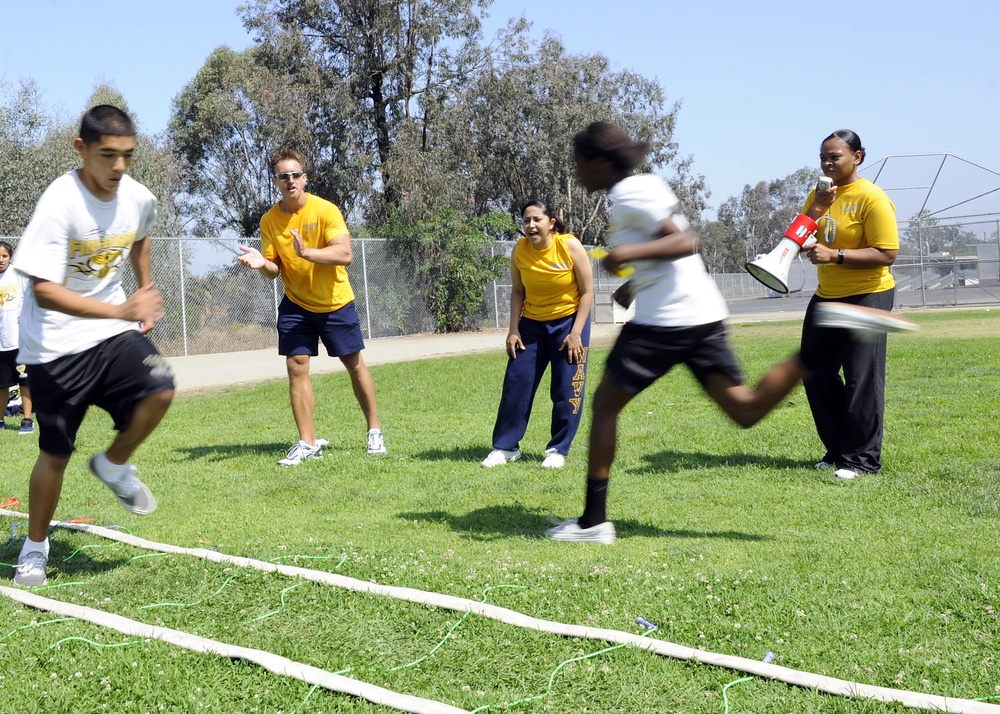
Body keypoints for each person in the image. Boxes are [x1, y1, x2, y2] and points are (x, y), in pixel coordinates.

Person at [546, 121, 808, 544]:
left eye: (578, 163)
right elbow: (669, 253)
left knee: (604, 405)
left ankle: (593, 522)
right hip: (700, 313)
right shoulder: (640, 188)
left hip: (664, 324)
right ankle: (817, 353)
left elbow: (686, 242)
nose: (576, 172)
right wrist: (634, 284)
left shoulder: (630, 192)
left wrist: (626, 255)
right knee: (745, 410)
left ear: (597, 161)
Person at [11, 105, 175, 587]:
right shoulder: (59, 202)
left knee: (160, 388)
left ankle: (113, 464)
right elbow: (44, 290)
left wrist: (142, 292)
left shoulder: (137, 197)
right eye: (108, 155)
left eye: (127, 156)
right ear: (80, 148)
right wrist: (121, 311)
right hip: (54, 346)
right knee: (55, 453)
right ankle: (35, 548)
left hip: (110, 333)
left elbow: (141, 235)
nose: (119, 167)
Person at [238, 150, 386, 466]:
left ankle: (374, 430)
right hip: (296, 303)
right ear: (275, 181)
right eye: (282, 176)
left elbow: (344, 254)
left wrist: (306, 252)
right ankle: (308, 442)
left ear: (304, 178)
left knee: (353, 363)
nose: (289, 180)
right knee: (296, 366)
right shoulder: (269, 220)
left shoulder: (325, 210)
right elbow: (274, 269)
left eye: (295, 174)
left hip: (335, 302)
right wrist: (262, 263)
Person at [801, 130, 899, 480]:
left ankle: (862, 460)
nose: (827, 163)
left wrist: (835, 254)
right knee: (815, 372)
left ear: (857, 156)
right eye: (823, 157)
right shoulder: (821, 193)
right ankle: (838, 450)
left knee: (861, 378)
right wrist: (815, 210)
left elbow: (887, 253)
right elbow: (801, 233)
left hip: (869, 294)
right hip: (827, 296)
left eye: (835, 157)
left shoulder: (872, 197)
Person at [482, 200, 595, 469]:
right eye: (525, 221)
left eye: (536, 219)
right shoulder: (520, 250)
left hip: (568, 323)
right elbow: (518, 291)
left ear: (551, 223)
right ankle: (506, 447)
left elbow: (587, 292)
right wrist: (513, 330)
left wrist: (576, 332)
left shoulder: (569, 246)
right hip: (531, 324)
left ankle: (558, 448)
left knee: (566, 388)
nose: (530, 225)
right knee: (516, 383)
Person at [0, 240, 35, 434]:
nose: (1, 260)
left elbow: (31, 294)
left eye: (4, 256)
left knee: (24, 381)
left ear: (10, 257)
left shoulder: (17, 275)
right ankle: (0, 420)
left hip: (18, 341)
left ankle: (27, 419)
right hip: (0, 343)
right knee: (2, 384)